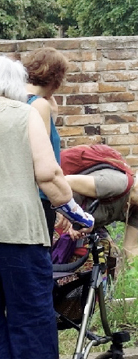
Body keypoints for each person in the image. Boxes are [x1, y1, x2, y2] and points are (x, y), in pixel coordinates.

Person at [0, 56, 92, 359]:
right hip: (17, 227)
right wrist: (77, 214)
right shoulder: (24, 115)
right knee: (32, 300)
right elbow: (49, 175)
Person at [62, 166, 138, 259]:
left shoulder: (135, 209)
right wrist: (70, 216)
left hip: (86, 227)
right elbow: (64, 182)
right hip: (61, 214)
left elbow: (131, 247)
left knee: (112, 256)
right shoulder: (116, 184)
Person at [23, 47, 69, 239]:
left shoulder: (17, 99)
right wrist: (62, 203)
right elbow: (42, 157)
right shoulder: (39, 105)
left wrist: (53, 115)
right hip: (41, 198)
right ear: (56, 77)